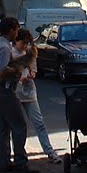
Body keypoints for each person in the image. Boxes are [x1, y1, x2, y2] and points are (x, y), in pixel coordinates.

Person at [0, 16, 39, 173]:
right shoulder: (4, 48)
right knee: (19, 125)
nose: (17, 33)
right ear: (10, 30)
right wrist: (16, 72)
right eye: (16, 30)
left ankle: (4, 163)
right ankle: (20, 163)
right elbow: (2, 70)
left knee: (3, 128)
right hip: (6, 90)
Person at [13, 28, 61, 163]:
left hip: (28, 91)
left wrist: (30, 75)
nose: (25, 46)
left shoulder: (30, 53)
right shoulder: (11, 53)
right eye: (23, 43)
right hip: (15, 92)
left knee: (39, 122)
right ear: (17, 41)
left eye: (27, 43)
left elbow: (34, 72)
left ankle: (49, 151)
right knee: (18, 126)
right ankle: (19, 155)